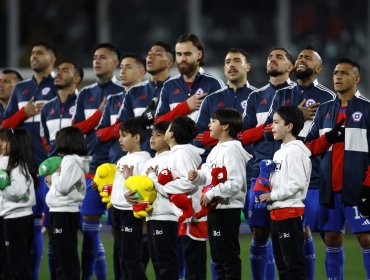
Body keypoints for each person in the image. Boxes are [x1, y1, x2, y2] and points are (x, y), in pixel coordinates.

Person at [305, 58, 370, 280]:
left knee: (366, 238)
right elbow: (306, 148)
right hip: (330, 189)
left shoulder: (367, 109)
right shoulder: (325, 110)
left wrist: (368, 185)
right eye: (335, 73)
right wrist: (328, 139)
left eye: (343, 73)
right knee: (332, 238)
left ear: (357, 78)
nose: (338, 77)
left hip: (358, 188)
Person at [2, 41, 58, 280]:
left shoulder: (60, 85)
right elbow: (5, 126)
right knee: (30, 227)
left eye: (40, 52)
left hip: (51, 169)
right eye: (32, 52)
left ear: (52, 58)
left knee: (58, 229)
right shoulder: (21, 89)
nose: (34, 56)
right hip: (25, 168)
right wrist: (23, 113)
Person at [239, 47, 295, 280]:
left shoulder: (299, 93)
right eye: (270, 56)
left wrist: (260, 132)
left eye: (279, 56)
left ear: (290, 66)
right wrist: (271, 129)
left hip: (289, 172)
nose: (272, 59)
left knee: (294, 232)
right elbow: (244, 136)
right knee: (260, 232)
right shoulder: (255, 97)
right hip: (259, 171)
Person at [72, 43, 123, 280]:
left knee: (119, 228)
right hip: (92, 167)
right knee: (89, 224)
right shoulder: (85, 94)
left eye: (103, 57)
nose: (96, 61)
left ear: (114, 63)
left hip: (119, 168)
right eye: (94, 57)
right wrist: (98, 115)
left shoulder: (125, 94)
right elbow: (76, 130)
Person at [189, 108, 252, 279]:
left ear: (225, 126)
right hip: (215, 209)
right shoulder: (217, 148)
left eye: (213, 121)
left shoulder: (232, 150)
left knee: (228, 257)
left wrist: (211, 194)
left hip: (227, 208)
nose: (209, 125)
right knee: (218, 257)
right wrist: (198, 176)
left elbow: (235, 182)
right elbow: (209, 175)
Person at [97, 42, 175, 159]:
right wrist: (142, 120)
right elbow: (123, 128)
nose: (150, 56)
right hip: (136, 159)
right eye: (149, 54)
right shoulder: (133, 92)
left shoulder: (176, 89)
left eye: (157, 54)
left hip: (167, 159)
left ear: (169, 62)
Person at [259, 105, 311, 280]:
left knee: (293, 265)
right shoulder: (280, 152)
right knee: (282, 265)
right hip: (277, 213)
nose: (272, 127)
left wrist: (271, 196)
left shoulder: (295, 152)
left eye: (276, 122)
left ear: (289, 127)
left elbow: (297, 184)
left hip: (289, 214)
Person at [155, 116, 205, 279]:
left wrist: (162, 187)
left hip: (192, 215)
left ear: (172, 134)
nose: (166, 132)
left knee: (194, 263)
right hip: (188, 214)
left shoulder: (181, 153)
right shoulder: (180, 152)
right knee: (192, 261)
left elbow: (189, 182)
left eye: (169, 128)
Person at [45, 126, 90, 280]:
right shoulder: (70, 160)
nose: (57, 143)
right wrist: (52, 181)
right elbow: (63, 187)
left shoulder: (70, 160)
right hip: (61, 212)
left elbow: (63, 187)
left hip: (63, 213)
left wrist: (54, 175)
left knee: (65, 259)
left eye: (59, 140)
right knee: (63, 257)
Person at [110, 117, 152, 280]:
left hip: (130, 213)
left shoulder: (144, 160)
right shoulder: (123, 159)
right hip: (117, 211)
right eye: (120, 135)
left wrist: (142, 220)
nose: (119, 139)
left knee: (131, 258)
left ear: (136, 138)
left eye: (124, 135)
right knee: (123, 258)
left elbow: (145, 191)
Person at [155, 33, 224, 123]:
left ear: (199, 55)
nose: (182, 59)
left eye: (187, 54)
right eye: (179, 54)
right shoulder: (169, 86)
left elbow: (223, 126)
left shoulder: (214, 84)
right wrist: (185, 107)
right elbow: (158, 122)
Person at [0, 128, 39, 280]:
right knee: (6, 264)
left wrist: (2, 184)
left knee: (18, 264)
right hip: (8, 217)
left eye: (4, 140)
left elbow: (17, 192)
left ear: (14, 143)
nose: (0, 143)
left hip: (16, 218)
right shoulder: (7, 162)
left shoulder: (18, 165)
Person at [96, 52, 147, 164]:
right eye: (121, 67)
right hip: (117, 161)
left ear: (141, 72)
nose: (122, 71)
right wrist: (120, 129)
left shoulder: (151, 97)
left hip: (145, 160)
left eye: (128, 67)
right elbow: (99, 135)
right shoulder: (112, 100)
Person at [144, 121, 179, 279]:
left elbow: (170, 190)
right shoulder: (149, 162)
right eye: (152, 134)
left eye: (158, 135)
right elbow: (143, 190)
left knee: (166, 263)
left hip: (167, 216)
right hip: (152, 215)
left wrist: (152, 177)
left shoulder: (172, 159)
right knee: (157, 262)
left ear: (169, 137)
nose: (153, 138)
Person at [41, 62, 84, 156]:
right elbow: (45, 138)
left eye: (65, 71)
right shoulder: (47, 107)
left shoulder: (83, 103)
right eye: (58, 70)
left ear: (76, 79)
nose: (58, 73)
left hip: (76, 163)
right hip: (53, 165)